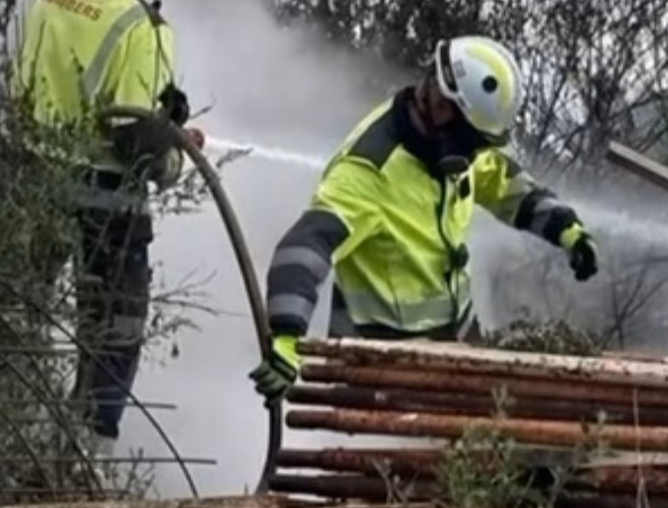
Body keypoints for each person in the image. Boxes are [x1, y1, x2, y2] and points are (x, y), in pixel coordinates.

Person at [250, 34, 599, 405]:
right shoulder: (369, 170)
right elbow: (307, 245)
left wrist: (566, 229)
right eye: (472, 141)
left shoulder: (455, 144)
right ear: (444, 109)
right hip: (377, 367)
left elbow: (505, 185)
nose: (475, 153)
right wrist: (287, 335)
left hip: (457, 342)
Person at [10, 0, 205, 457]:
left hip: (30, 188)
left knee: (19, 320)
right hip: (108, 206)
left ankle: (7, 434)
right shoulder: (143, 27)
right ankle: (84, 462)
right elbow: (134, 142)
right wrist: (175, 147)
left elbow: (21, 96)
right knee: (112, 336)